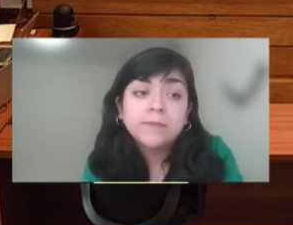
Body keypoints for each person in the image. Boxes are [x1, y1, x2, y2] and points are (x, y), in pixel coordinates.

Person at [83, 47, 243, 183]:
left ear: (187, 112)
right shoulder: (100, 162)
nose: (157, 105)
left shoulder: (216, 153)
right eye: (141, 92)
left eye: (173, 95)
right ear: (120, 108)